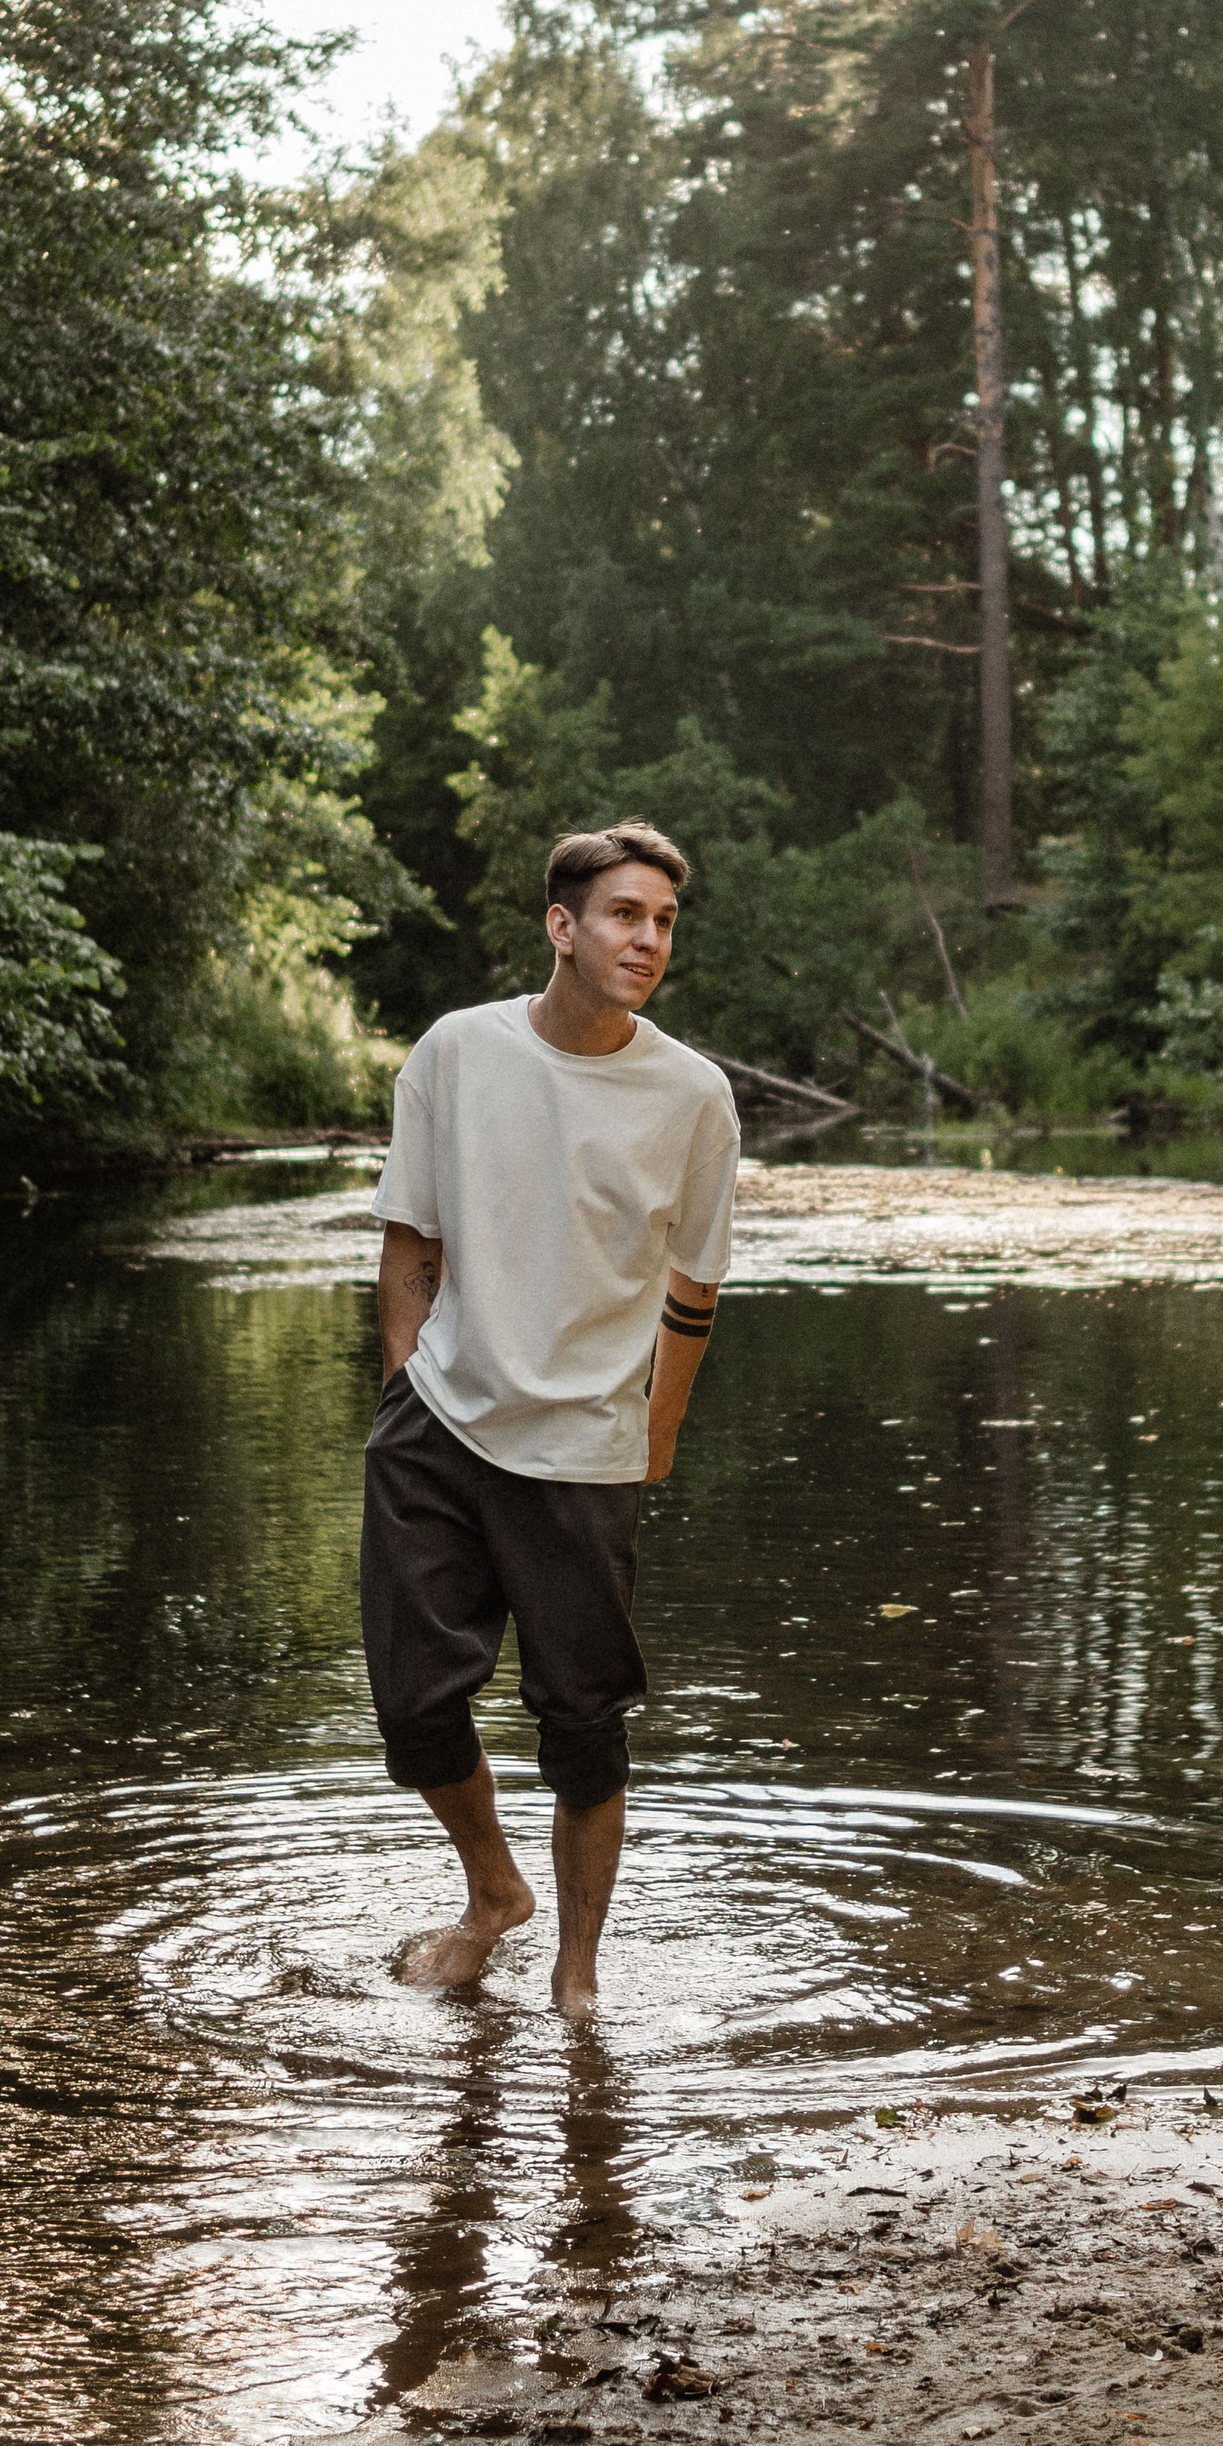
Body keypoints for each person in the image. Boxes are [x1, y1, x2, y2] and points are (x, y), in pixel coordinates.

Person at [362, 819, 738, 2014]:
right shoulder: (457, 1052)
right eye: (626, 914)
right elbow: (409, 1239)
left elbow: (694, 1287)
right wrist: (404, 1382)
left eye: (665, 921)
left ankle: (576, 1975)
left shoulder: (691, 1094)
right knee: (414, 1701)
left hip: (584, 1448)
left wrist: (655, 1435)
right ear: (561, 925)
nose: (648, 939)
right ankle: (495, 1894)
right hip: (437, 1421)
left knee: (582, 1720)